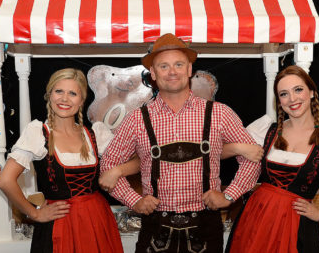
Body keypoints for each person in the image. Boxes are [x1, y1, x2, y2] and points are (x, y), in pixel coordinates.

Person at [100, 33, 262, 253]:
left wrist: (229, 196)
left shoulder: (219, 114)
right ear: (154, 74)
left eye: (178, 64)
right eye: (164, 66)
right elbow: (108, 164)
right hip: (155, 228)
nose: (172, 71)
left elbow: (252, 160)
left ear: (189, 70)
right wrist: (134, 200)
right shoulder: (137, 119)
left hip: (205, 228)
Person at [227, 65, 319, 253]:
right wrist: (239, 147)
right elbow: (216, 153)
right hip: (256, 218)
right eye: (284, 94)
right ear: (278, 100)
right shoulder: (266, 130)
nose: (292, 99)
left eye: (298, 90)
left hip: (295, 224)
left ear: (311, 92)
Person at [0, 68, 132, 253]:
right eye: (59, 91)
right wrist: (34, 213)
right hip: (59, 222)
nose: (64, 99)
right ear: (49, 95)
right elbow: (5, 180)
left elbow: (140, 160)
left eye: (73, 93)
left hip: (96, 219)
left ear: (82, 101)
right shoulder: (38, 133)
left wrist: (117, 171)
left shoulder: (94, 134)